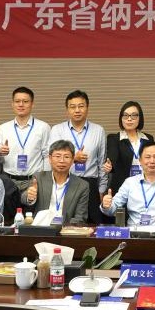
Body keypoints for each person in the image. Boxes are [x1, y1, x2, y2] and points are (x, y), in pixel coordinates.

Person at [47, 90, 107, 224]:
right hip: (65, 181)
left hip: (90, 183)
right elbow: (52, 158)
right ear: (67, 109)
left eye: (81, 106)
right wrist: (73, 158)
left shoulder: (98, 130)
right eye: (72, 107)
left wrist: (101, 189)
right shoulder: (57, 130)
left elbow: (102, 162)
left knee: (92, 224)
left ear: (87, 107)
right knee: (66, 221)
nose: (77, 110)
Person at [0, 87, 51, 193]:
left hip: (34, 181)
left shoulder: (43, 127)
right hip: (9, 181)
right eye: (17, 101)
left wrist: (44, 180)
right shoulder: (4, 128)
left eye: (25, 101)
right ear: (12, 104)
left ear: (32, 104)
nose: (21, 104)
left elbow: (47, 156)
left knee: (31, 205)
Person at [21, 140, 89, 225]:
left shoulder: (82, 185)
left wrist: (64, 228)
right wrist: (30, 197)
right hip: (41, 227)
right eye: (57, 156)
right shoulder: (39, 178)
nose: (62, 160)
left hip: (66, 229)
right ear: (50, 159)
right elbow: (24, 198)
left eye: (66, 157)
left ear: (72, 160)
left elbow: (80, 218)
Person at [102, 101, 154, 196]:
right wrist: (109, 166)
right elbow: (112, 158)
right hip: (122, 188)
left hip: (145, 187)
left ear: (140, 118)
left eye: (133, 116)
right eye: (125, 115)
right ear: (121, 118)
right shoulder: (114, 139)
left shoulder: (148, 139)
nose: (129, 119)